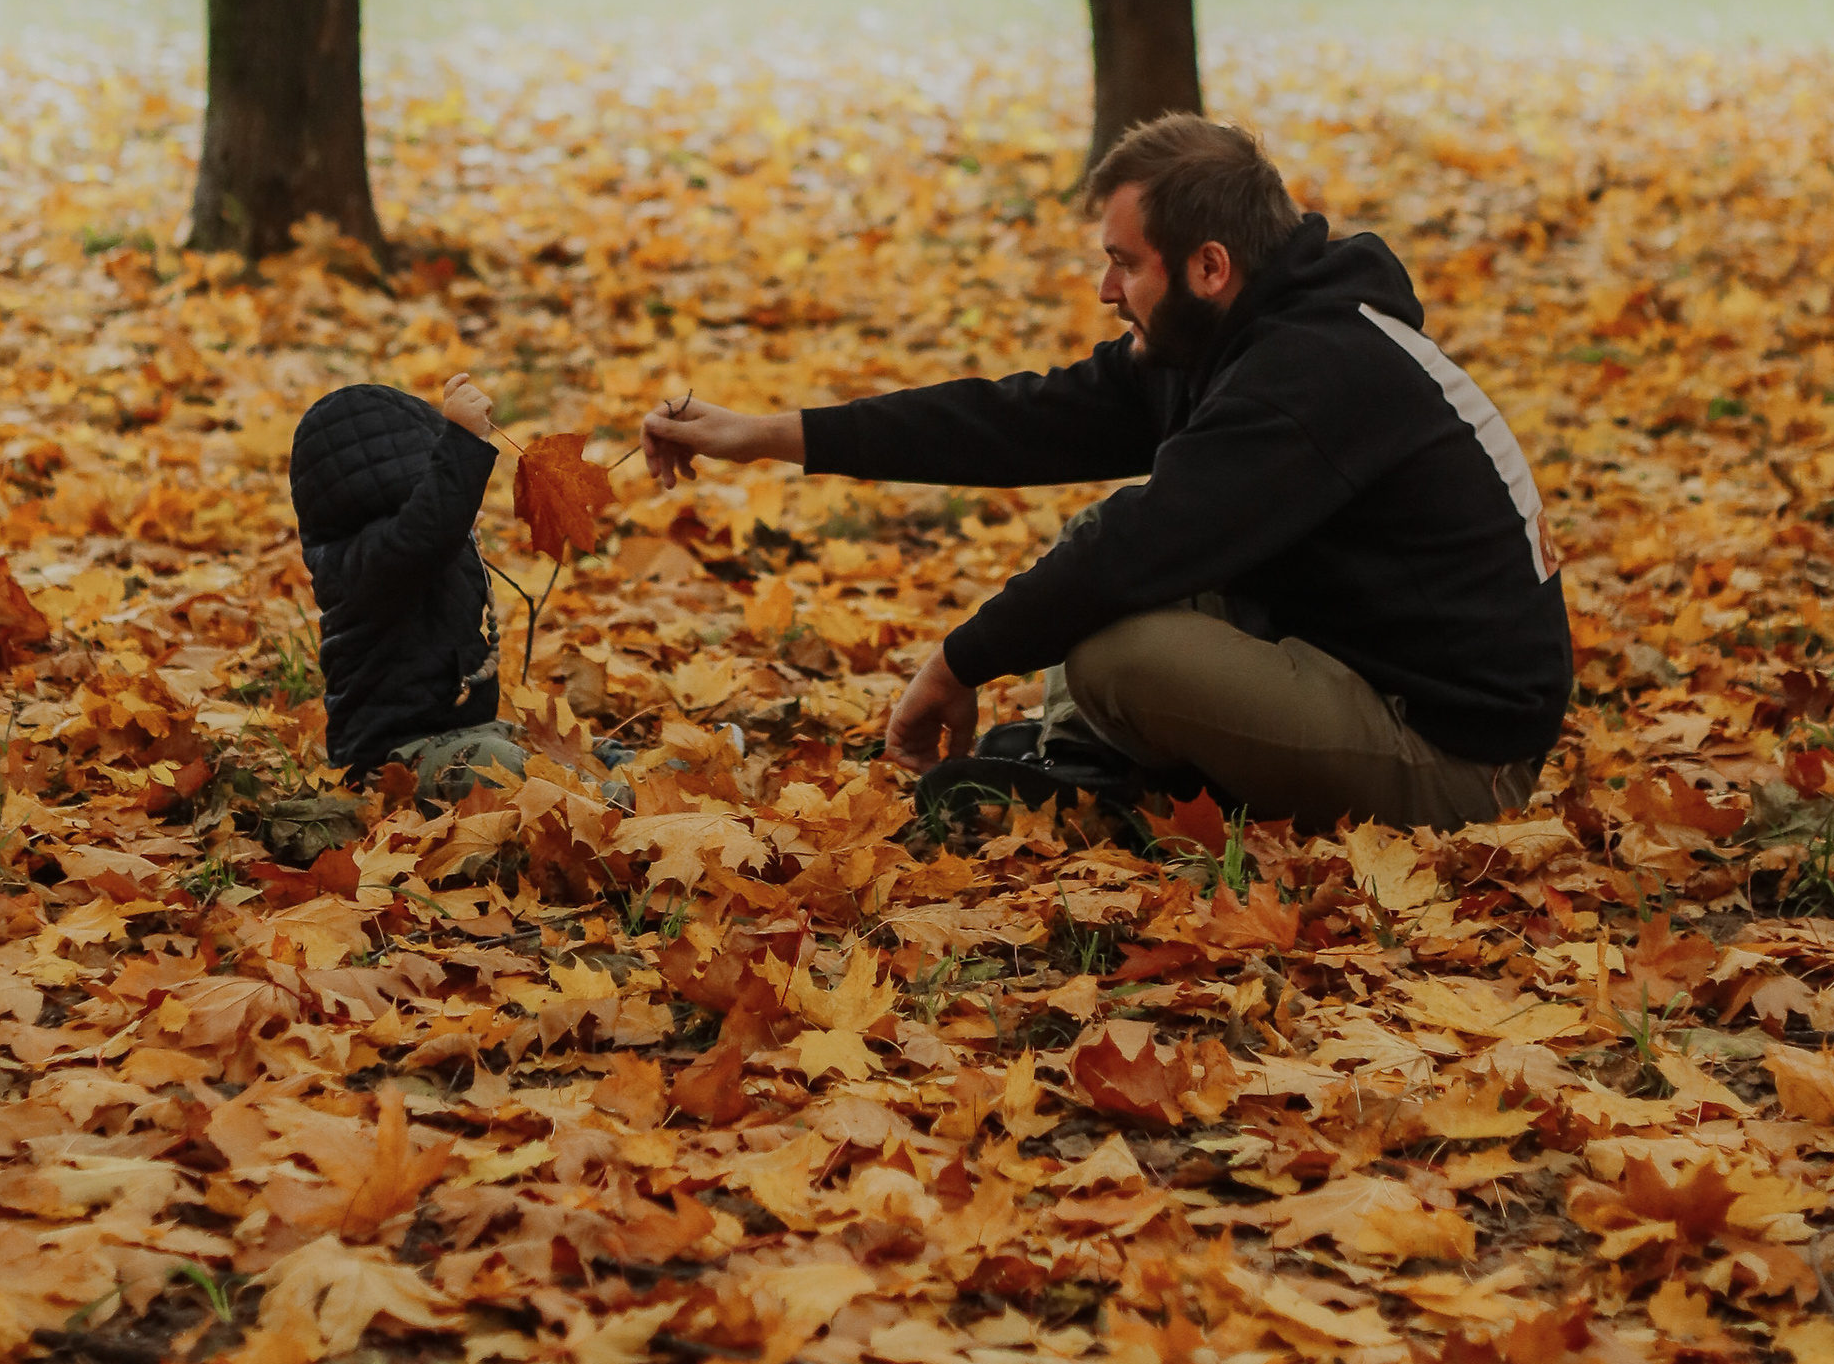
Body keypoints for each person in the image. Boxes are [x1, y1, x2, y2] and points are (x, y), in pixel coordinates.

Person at [639, 111, 1570, 831]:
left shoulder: (1314, 375)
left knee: (1116, 650)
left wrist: (956, 664)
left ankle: (1090, 782)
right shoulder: (1236, 340)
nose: (1105, 291)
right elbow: (1011, 423)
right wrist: (766, 434)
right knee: (1101, 559)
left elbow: (1137, 552)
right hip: (1356, 668)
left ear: (1210, 266)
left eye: (1125, 264)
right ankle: (1075, 768)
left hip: (1456, 760)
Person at [287, 373, 529, 804]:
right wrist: (462, 446)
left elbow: (431, 536)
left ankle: (614, 783)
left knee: (551, 750)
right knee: (497, 764)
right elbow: (423, 537)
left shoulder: (411, 548)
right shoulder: (360, 563)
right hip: (392, 762)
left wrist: (458, 524)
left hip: (459, 736)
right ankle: (600, 801)